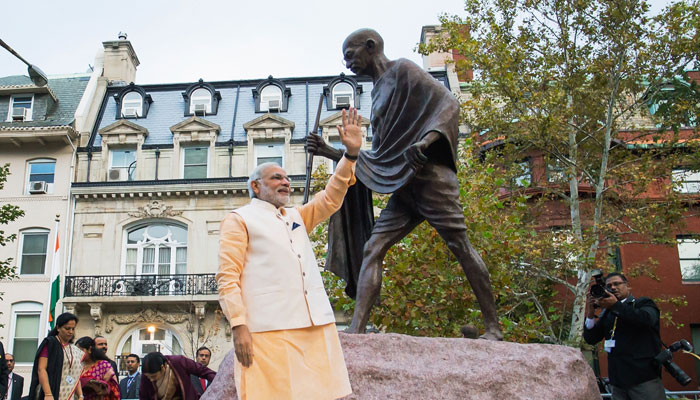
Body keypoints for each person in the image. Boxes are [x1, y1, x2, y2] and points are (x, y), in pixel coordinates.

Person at [308, 28, 502, 340]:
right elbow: (382, 156)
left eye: (351, 55)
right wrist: (329, 151)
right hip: (404, 187)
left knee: (460, 247)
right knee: (373, 247)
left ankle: (493, 328)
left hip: (430, 179)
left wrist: (424, 143)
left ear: (371, 47)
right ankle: (357, 331)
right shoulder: (376, 92)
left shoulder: (404, 70)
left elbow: (449, 104)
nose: (347, 64)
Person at [217, 108, 363, 399]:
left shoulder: (296, 216)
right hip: (269, 330)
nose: (286, 182)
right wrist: (239, 325)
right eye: (276, 178)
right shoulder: (239, 218)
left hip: (316, 324)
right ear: (256, 186)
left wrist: (350, 156)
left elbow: (331, 197)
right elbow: (227, 278)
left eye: (286, 178)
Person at [583, 272, 665, 400]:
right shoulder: (607, 312)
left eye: (617, 284)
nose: (613, 288)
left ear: (627, 286)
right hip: (617, 381)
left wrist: (615, 305)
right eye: (609, 285)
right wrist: (590, 313)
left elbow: (645, 320)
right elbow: (591, 338)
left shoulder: (643, 303)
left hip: (643, 378)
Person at [28, 312, 85, 400]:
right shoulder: (50, 344)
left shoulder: (74, 350)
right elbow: (41, 369)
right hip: (51, 393)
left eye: (73, 329)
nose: (71, 332)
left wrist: (80, 395)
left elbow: (75, 375)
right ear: (58, 328)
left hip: (69, 395)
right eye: (67, 328)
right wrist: (48, 394)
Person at [139, 352, 215, 400]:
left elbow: (203, 371)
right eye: (148, 377)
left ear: (163, 367)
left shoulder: (179, 362)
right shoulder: (146, 376)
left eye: (154, 376)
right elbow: (143, 397)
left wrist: (220, 381)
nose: (151, 379)